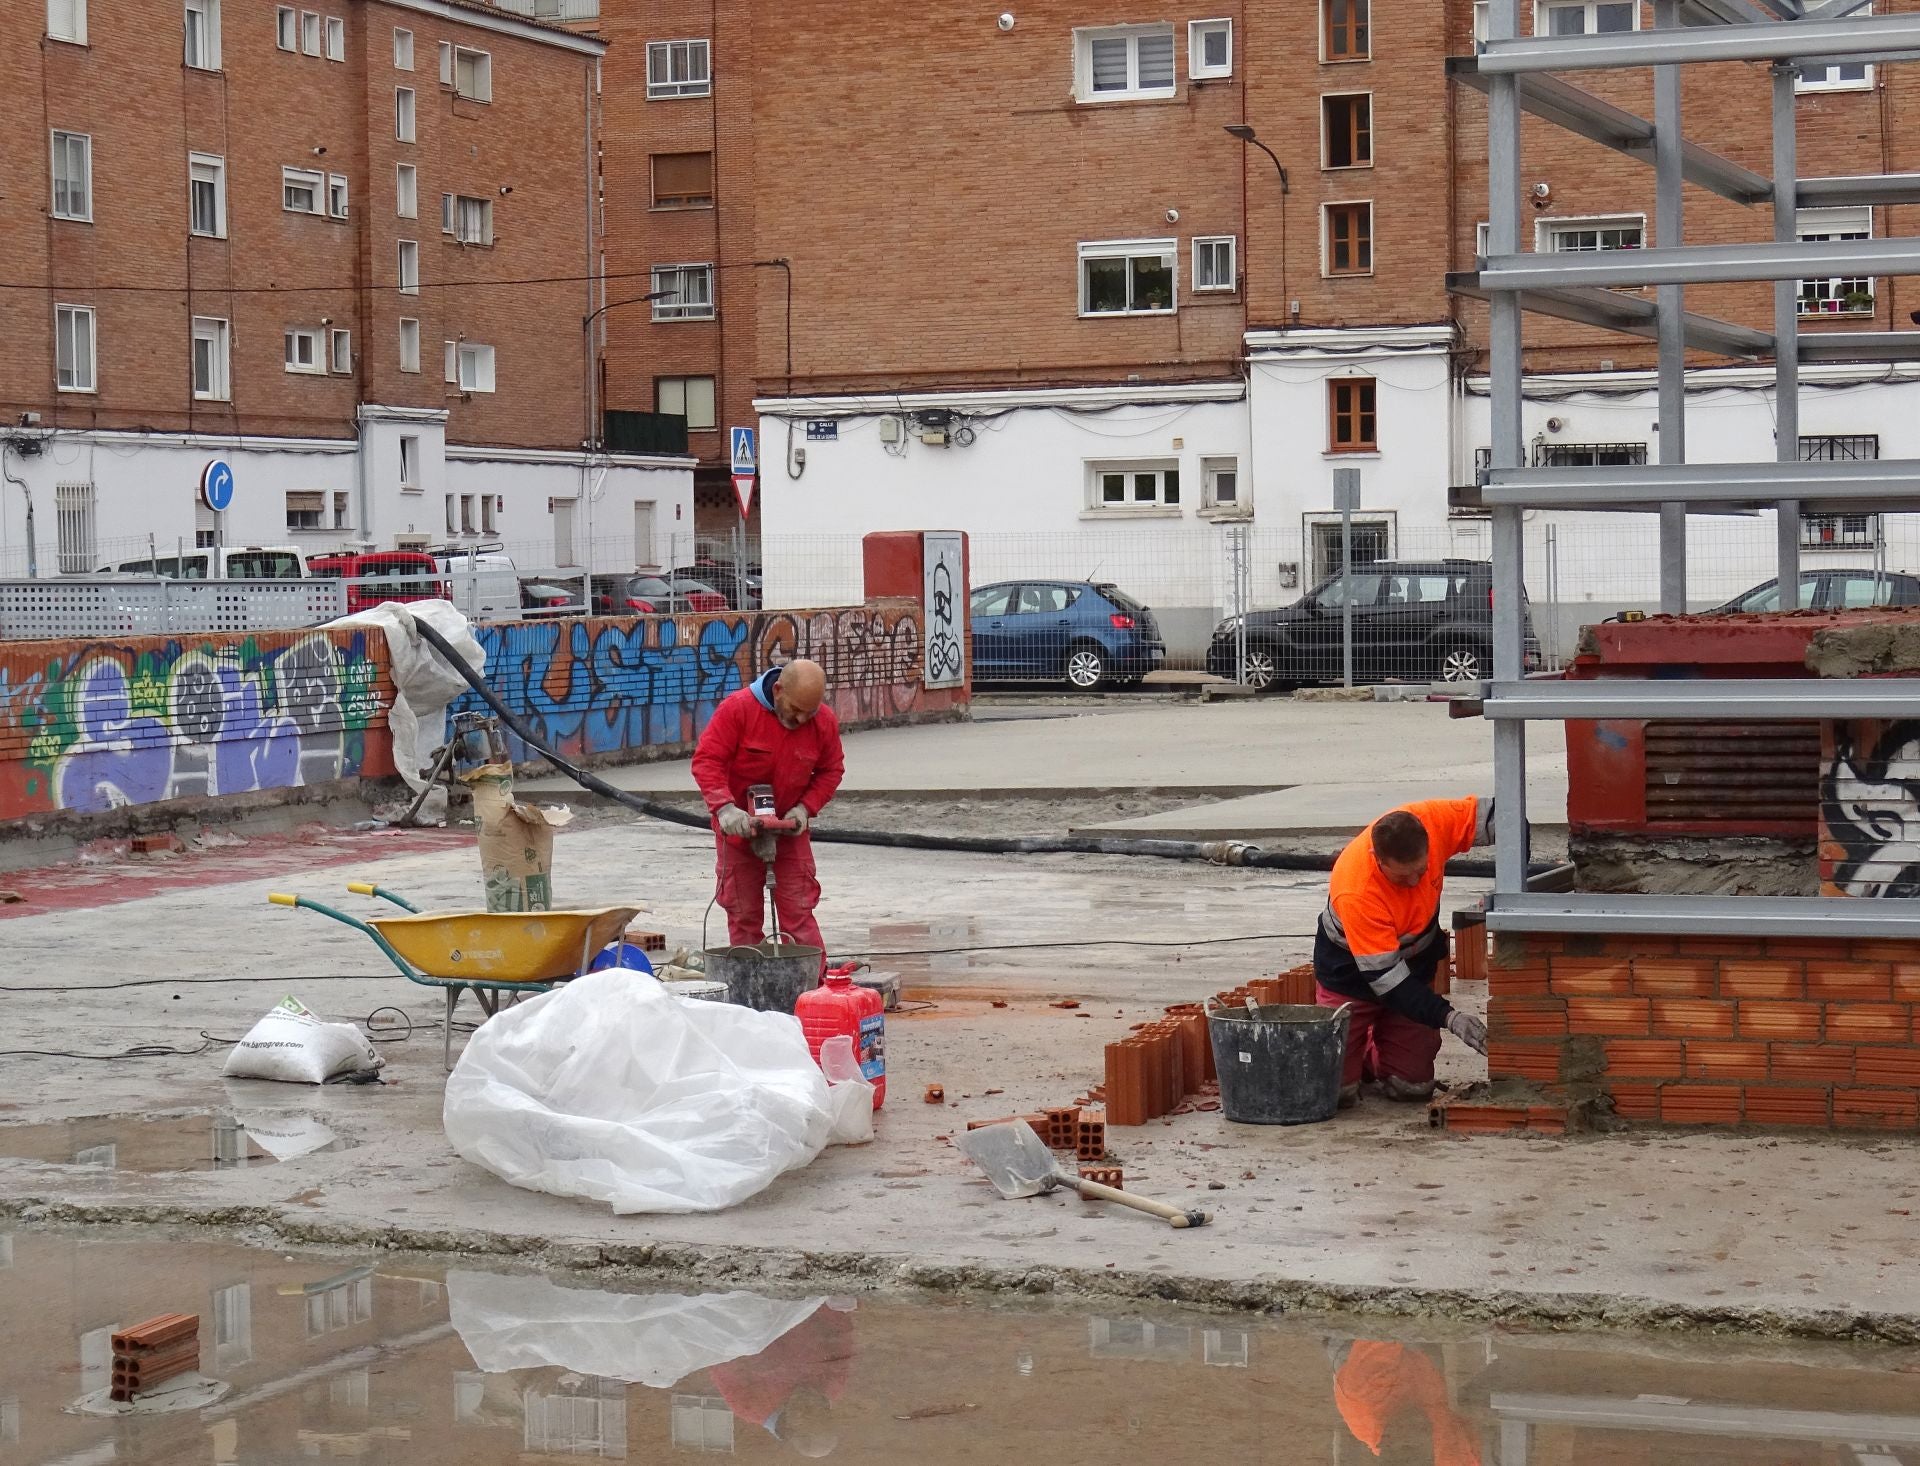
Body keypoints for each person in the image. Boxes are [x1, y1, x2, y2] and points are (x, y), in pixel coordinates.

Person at [1316, 797, 1491, 1107]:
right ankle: (1364, 1048)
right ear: (1377, 858)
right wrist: (1450, 1017)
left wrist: (1517, 882)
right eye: (1400, 877)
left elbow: (1504, 814)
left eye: (1421, 871)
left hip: (1414, 964)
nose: (1413, 883)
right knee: (1334, 1094)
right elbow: (1392, 985)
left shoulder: (1432, 821)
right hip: (1351, 975)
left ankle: (1380, 1049)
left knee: (1412, 1089)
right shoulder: (1358, 891)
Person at [691, 658, 845, 967]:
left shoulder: (822, 722)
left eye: (809, 712)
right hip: (739, 832)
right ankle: (751, 990)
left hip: (788, 831)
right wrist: (724, 808)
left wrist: (805, 807)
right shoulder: (737, 710)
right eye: (795, 709)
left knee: (799, 912)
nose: (801, 719)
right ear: (778, 690)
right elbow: (707, 761)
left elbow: (831, 770)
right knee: (743, 914)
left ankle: (813, 989)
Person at [708, 1300, 855, 1459]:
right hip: (800, 1298)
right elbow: (840, 1330)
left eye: (803, 1414)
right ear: (828, 1413)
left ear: (789, 1427)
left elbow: (721, 1353)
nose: (807, 1402)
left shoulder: (749, 1405)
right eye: (818, 1410)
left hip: (744, 1307)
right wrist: (817, 1302)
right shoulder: (834, 1383)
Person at [1329, 1338, 1482, 1466]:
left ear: (1385, 1440)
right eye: (1425, 1438)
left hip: (1356, 1345)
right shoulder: (1450, 1454)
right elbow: (1470, 1425)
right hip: (1419, 1366)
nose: (1420, 1428)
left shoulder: (1365, 1395)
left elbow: (1384, 1319)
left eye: (1408, 1438)